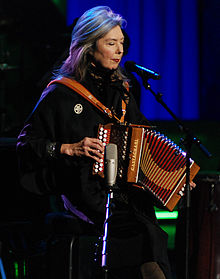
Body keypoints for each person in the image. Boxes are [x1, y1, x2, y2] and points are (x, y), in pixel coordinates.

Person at [16, 6, 176, 279]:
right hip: (80, 190)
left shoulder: (122, 92)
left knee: (148, 224)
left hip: (123, 192)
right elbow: (25, 145)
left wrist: (173, 173)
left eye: (121, 43)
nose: (119, 50)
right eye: (111, 43)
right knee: (141, 232)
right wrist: (69, 148)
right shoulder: (61, 93)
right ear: (89, 47)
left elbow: (145, 140)